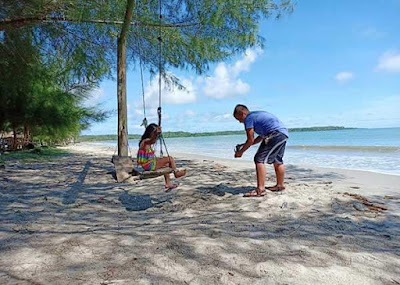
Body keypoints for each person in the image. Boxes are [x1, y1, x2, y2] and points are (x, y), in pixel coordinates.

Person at [233, 104, 288, 197]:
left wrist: (240, 152)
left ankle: (260, 190)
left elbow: (250, 140)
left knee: (259, 159)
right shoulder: (256, 116)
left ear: (242, 114)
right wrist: (243, 145)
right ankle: (280, 186)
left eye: (238, 119)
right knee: (277, 160)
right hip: (283, 134)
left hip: (274, 134)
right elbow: (259, 138)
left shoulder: (249, 119)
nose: (240, 122)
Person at [138, 123, 186, 190]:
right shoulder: (145, 141)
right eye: (154, 133)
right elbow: (152, 140)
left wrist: (157, 133)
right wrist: (157, 133)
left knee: (166, 165)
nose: (156, 135)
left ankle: (168, 184)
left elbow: (153, 141)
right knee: (170, 159)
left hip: (148, 164)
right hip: (149, 165)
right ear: (150, 133)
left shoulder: (143, 141)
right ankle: (176, 173)